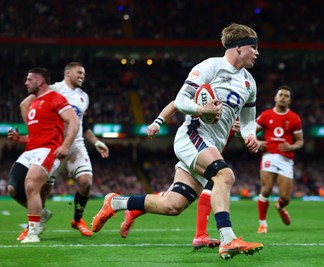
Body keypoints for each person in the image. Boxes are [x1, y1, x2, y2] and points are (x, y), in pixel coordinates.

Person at [91, 23, 263, 260]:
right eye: (253, 47)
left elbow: (248, 121)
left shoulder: (249, 83)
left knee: (173, 206)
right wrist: (200, 109)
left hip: (211, 144)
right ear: (239, 47)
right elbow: (180, 100)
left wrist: (250, 136)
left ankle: (117, 203)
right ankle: (228, 239)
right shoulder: (210, 66)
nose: (256, 53)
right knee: (225, 176)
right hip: (193, 135)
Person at [120, 101, 240, 252]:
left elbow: (223, 138)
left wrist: (237, 132)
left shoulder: (234, 102)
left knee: (175, 202)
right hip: (196, 144)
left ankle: (130, 207)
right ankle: (201, 234)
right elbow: (178, 101)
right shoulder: (206, 89)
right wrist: (158, 122)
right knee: (214, 181)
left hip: (208, 149)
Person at [18, 62, 109, 239]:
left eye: (84, 74)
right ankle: (34, 225)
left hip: (76, 145)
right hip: (54, 144)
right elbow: (25, 105)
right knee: (43, 186)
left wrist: (97, 142)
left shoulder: (84, 96)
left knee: (86, 182)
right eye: (79, 73)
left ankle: (77, 220)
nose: (82, 76)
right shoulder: (54, 89)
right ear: (68, 73)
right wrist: (35, 133)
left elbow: (82, 123)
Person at [7, 67, 79, 243]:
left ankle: (32, 233)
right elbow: (34, 136)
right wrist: (19, 138)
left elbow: (74, 122)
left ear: (40, 81)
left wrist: (65, 145)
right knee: (13, 188)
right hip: (30, 150)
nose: (26, 83)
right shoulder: (33, 105)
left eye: (29, 79)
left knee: (31, 185)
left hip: (48, 149)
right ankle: (43, 213)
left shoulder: (56, 98)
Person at [255, 85, 304, 234]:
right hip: (269, 155)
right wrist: (257, 143)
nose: (283, 97)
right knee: (266, 189)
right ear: (275, 98)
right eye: (281, 95)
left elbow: (300, 141)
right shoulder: (266, 115)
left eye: (286, 96)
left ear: (289, 100)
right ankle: (262, 224)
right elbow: (250, 132)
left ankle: (280, 207)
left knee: (285, 197)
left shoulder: (294, 118)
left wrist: (291, 147)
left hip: (286, 159)